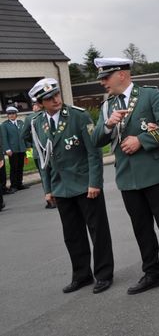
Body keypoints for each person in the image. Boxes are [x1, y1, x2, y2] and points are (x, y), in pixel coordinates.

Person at [92, 57, 159, 297]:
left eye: (106, 77)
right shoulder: (108, 106)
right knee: (141, 229)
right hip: (127, 177)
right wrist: (108, 125)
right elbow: (96, 140)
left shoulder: (149, 95)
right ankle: (152, 273)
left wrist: (141, 141)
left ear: (122, 74)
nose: (103, 82)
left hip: (156, 173)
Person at [27, 78, 114, 294]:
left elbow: (94, 152)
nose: (56, 100)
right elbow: (44, 160)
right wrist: (48, 189)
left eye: (56, 95)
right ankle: (82, 275)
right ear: (40, 103)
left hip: (85, 185)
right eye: (49, 98)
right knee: (72, 235)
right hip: (61, 188)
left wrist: (94, 182)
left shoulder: (78, 116)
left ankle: (104, 274)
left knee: (98, 232)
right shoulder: (38, 123)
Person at [22, 100, 55, 209]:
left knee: (45, 175)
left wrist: (34, 142)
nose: (34, 107)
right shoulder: (50, 113)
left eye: (35, 105)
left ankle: (50, 199)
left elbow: (24, 135)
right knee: (54, 173)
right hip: (52, 149)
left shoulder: (30, 118)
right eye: (33, 105)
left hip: (40, 151)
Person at [1, 106, 27, 193]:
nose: (11, 115)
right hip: (12, 150)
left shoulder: (20, 123)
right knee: (14, 167)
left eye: (13, 113)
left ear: (16, 114)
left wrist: (26, 146)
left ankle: (19, 184)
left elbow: (24, 135)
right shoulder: (4, 125)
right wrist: (7, 149)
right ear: (7, 115)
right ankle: (13, 185)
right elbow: (4, 138)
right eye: (9, 114)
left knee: (20, 166)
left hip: (21, 148)